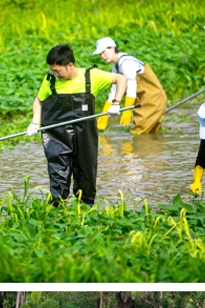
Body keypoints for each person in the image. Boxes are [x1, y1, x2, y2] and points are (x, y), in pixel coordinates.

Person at [28, 44, 126, 207]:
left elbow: (120, 79)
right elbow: (39, 100)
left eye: (58, 71)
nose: (55, 74)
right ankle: (57, 212)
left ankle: (85, 213)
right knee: (58, 176)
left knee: (86, 175)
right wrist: (34, 121)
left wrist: (115, 103)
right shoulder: (50, 81)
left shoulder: (91, 76)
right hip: (56, 136)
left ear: (70, 65)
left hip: (84, 136)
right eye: (52, 70)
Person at [93, 38, 167, 136]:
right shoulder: (115, 67)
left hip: (153, 99)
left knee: (138, 133)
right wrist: (105, 114)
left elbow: (132, 87)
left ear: (112, 48)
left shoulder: (126, 63)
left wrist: (127, 110)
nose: (102, 56)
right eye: (100, 54)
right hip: (142, 100)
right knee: (149, 134)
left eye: (103, 52)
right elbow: (114, 92)